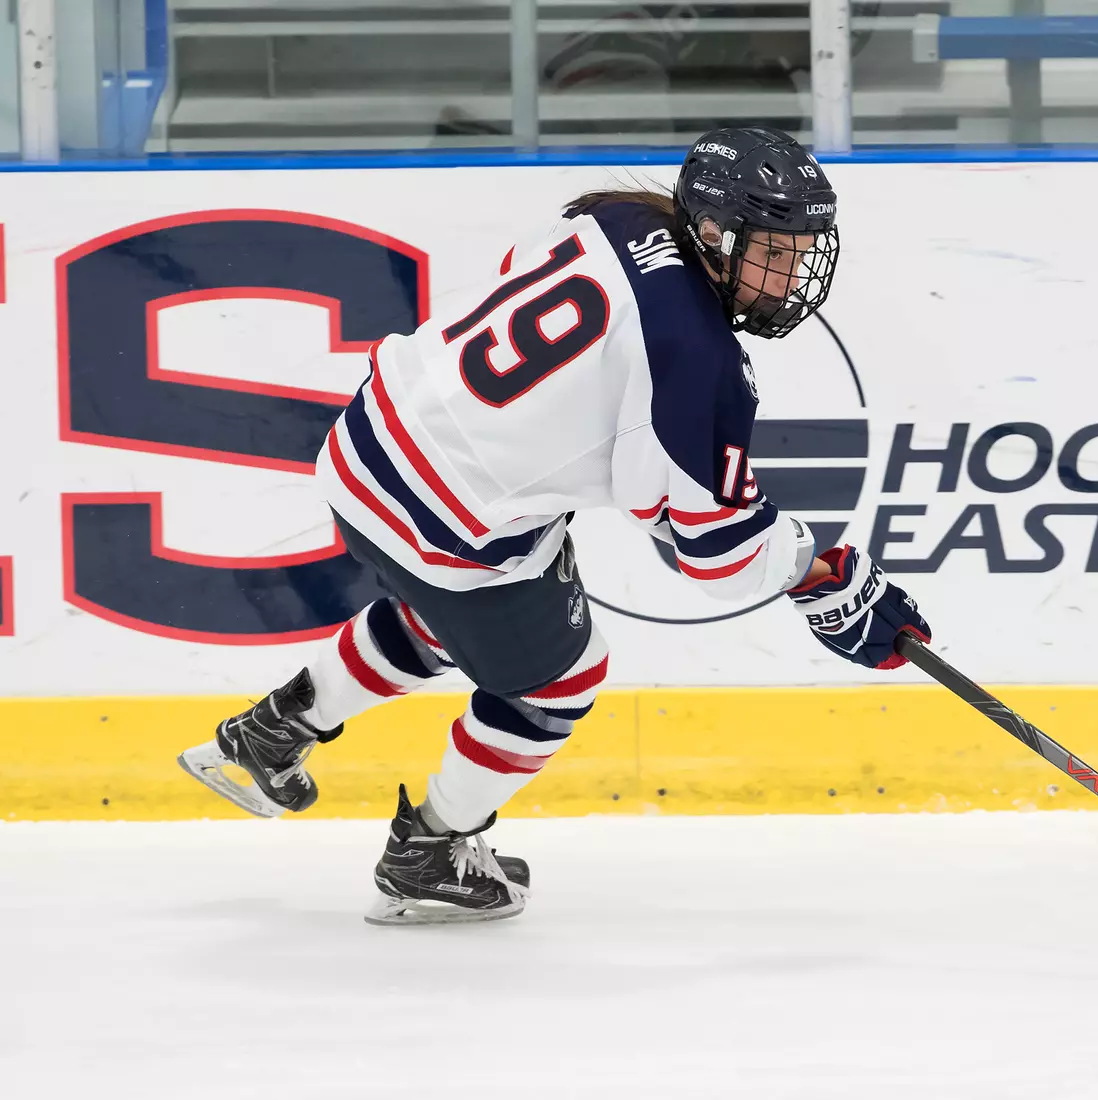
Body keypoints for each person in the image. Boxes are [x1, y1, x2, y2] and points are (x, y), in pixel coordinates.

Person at [178, 126, 932, 926]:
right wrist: (821, 578)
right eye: (775, 250)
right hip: (447, 517)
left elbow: (558, 350)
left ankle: (276, 728)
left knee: (459, 621)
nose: (793, 273)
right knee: (559, 679)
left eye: (806, 247)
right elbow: (720, 555)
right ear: (713, 232)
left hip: (367, 443)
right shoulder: (700, 361)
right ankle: (430, 852)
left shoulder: (616, 220)